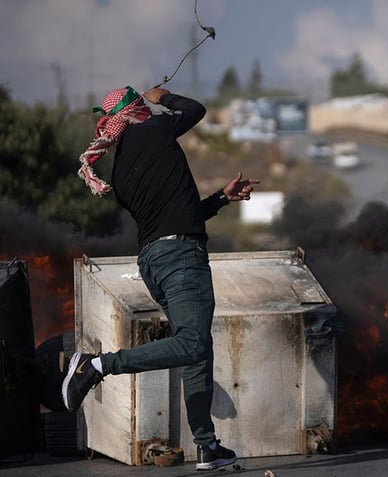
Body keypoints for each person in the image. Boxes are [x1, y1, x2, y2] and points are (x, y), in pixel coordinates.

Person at [62, 85, 260, 471]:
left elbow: (177, 215)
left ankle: (207, 447)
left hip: (156, 259)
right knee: (191, 344)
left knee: (197, 349)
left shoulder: (120, 171)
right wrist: (164, 96)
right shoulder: (152, 130)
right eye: (145, 105)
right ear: (138, 109)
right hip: (182, 257)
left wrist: (221, 198)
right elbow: (195, 108)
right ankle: (96, 366)